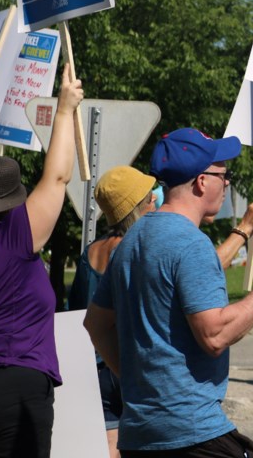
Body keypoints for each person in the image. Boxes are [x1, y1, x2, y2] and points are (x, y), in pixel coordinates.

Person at [83, 128, 253, 457]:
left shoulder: (133, 239)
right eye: (223, 175)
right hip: (192, 432)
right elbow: (214, 334)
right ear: (202, 181)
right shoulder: (191, 242)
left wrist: (135, 381)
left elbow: (95, 325)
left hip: (140, 433)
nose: (227, 183)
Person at [0, 62, 84, 458]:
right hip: (14, 387)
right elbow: (56, 177)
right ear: (13, 199)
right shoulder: (16, 236)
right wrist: (65, 110)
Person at [67, 166, 159, 458]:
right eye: (149, 199)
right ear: (137, 208)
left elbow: (78, 310)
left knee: (109, 447)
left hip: (96, 366)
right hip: (131, 362)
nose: (155, 202)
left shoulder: (91, 251)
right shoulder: (138, 250)